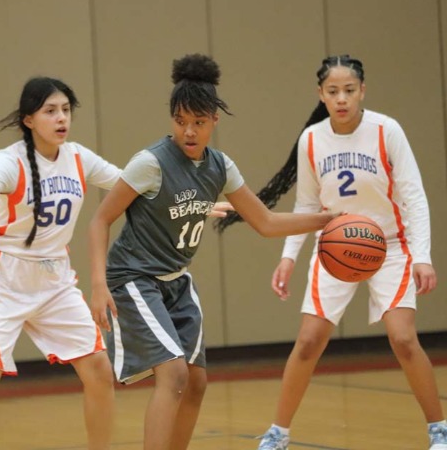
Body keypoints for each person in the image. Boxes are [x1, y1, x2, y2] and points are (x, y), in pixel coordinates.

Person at [87, 53, 337, 450]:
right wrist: (99, 285)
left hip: (176, 281)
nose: (189, 131)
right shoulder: (150, 163)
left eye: (199, 122)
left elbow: (265, 222)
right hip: (134, 278)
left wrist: (325, 220)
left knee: (196, 382)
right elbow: (100, 220)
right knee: (173, 375)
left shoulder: (220, 166)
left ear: (214, 121)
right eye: (180, 121)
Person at [217, 55, 446, 450]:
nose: (342, 99)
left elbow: (414, 197)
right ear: (320, 94)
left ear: (363, 91)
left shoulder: (386, 130)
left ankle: (438, 429)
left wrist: (422, 256)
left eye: (349, 90)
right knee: (308, 341)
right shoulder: (311, 139)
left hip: (391, 245)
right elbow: (307, 205)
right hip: (336, 246)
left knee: (403, 338)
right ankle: (278, 433)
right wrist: (288, 256)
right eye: (333, 91)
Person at [0, 76, 121, 450]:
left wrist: (191, 204)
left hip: (54, 278)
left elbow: (129, 185)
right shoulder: (11, 160)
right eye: (50, 111)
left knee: (100, 369)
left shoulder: (79, 157)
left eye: (65, 110)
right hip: (5, 276)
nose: (61, 118)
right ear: (29, 119)